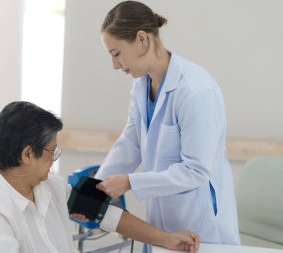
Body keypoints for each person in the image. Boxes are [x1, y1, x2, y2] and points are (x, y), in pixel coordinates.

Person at [95, 1, 241, 252]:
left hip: (200, 224)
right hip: (163, 222)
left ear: (142, 40)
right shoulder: (141, 84)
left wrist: (129, 182)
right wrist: (96, 188)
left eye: (116, 53)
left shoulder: (195, 91)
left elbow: (196, 170)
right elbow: (131, 142)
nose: (115, 65)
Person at [0, 101, 199, 253]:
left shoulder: (49, 186)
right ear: (27, 154)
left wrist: (166, 239)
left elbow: (106, 215)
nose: (54, 158)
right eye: (51, 151)